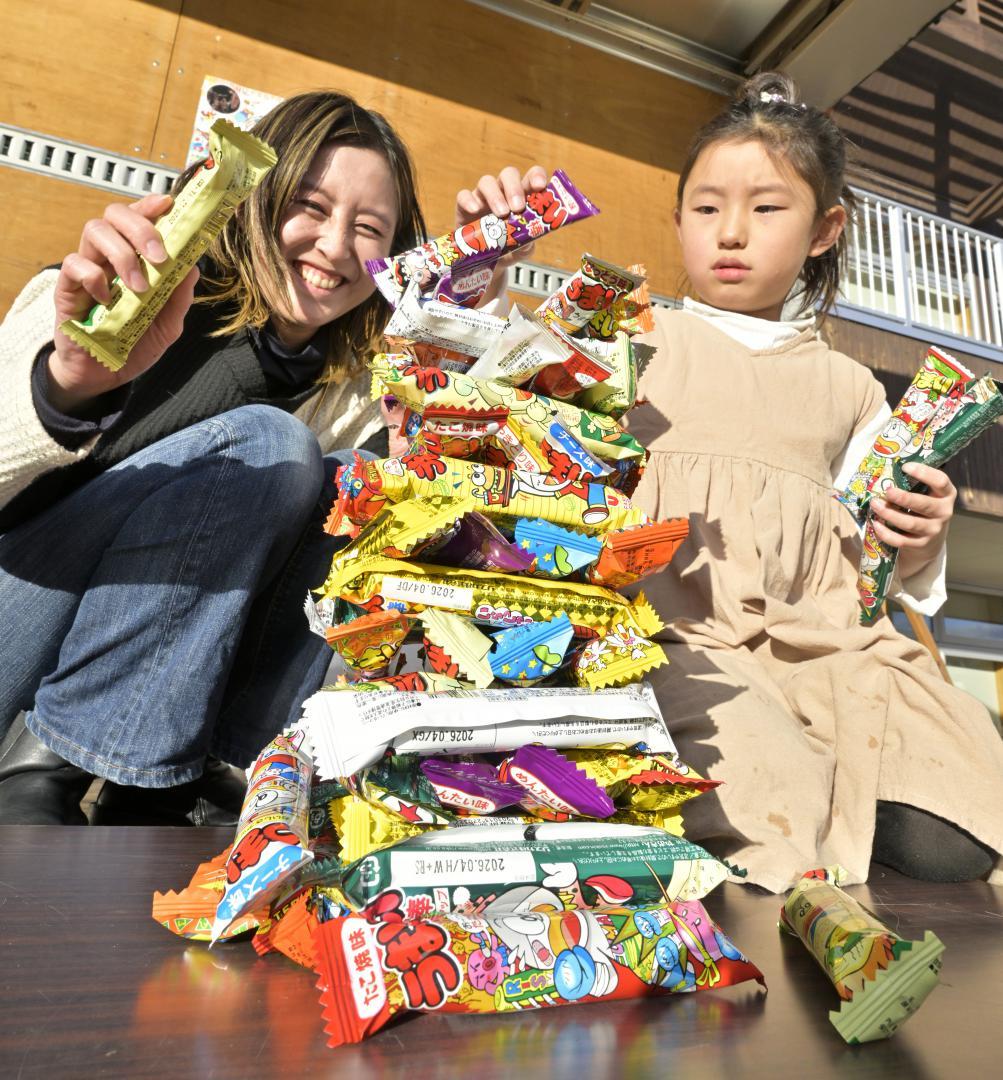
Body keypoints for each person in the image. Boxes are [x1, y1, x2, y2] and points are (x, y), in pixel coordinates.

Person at [0, 88, 546, 826]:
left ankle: (211, 773)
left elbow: (429, 498)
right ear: (253, 199)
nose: (332, 246)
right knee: (268, 443)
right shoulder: (101, 297)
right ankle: (55, 767)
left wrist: (468, 300)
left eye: (368, 228)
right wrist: (67, 385)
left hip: (136, 705)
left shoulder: (349, 385)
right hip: (18, 616)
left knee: (358, 484)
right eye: (310, 207)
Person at [627, 72, 1003, 892]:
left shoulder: (853, 388)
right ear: (678, 217)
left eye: (766, 209)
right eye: (704, 207)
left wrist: (919, 537)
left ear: (823, 230)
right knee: (773, 802)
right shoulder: (638, 334)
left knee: (962, 796)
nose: (730, 232)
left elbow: (868, 560)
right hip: (678, 632)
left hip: (821, 638)